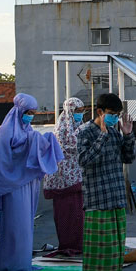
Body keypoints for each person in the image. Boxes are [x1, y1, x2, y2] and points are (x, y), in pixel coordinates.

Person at [0, 93, 63, 271]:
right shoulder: (7, 131)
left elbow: (32, 149)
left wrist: (41, 140)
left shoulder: (27, 129)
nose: (30, 116)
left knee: (25, 225)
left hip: (27, 182)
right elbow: (5, 160)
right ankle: (11, 264)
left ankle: (22, 263)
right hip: (14, 184)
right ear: (20, 110)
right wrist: (34, 141)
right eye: (28, 112)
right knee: (15, 225)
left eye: (33, 113)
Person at [76, 92, 136, 271]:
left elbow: (127, 158)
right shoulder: (84, 132)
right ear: (100, 112)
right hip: (97, 200)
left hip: (116, 197)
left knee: (114, 252)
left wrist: (128, 135)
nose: (114, 118)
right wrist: (101, 137)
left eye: (117, 115)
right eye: (112, 114)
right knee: (96, 254)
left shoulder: (114, 131)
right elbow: (84, 161)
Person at [43, 97, 87, 255]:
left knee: (79, 216)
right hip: (63, 182)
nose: (81, 115)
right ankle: (68, 244)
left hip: (78, 180)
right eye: (78, 112)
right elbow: (69, 148)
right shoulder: (61, 129)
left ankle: (79, 244)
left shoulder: (80, 127)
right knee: (66, 215)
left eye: (83, 111)